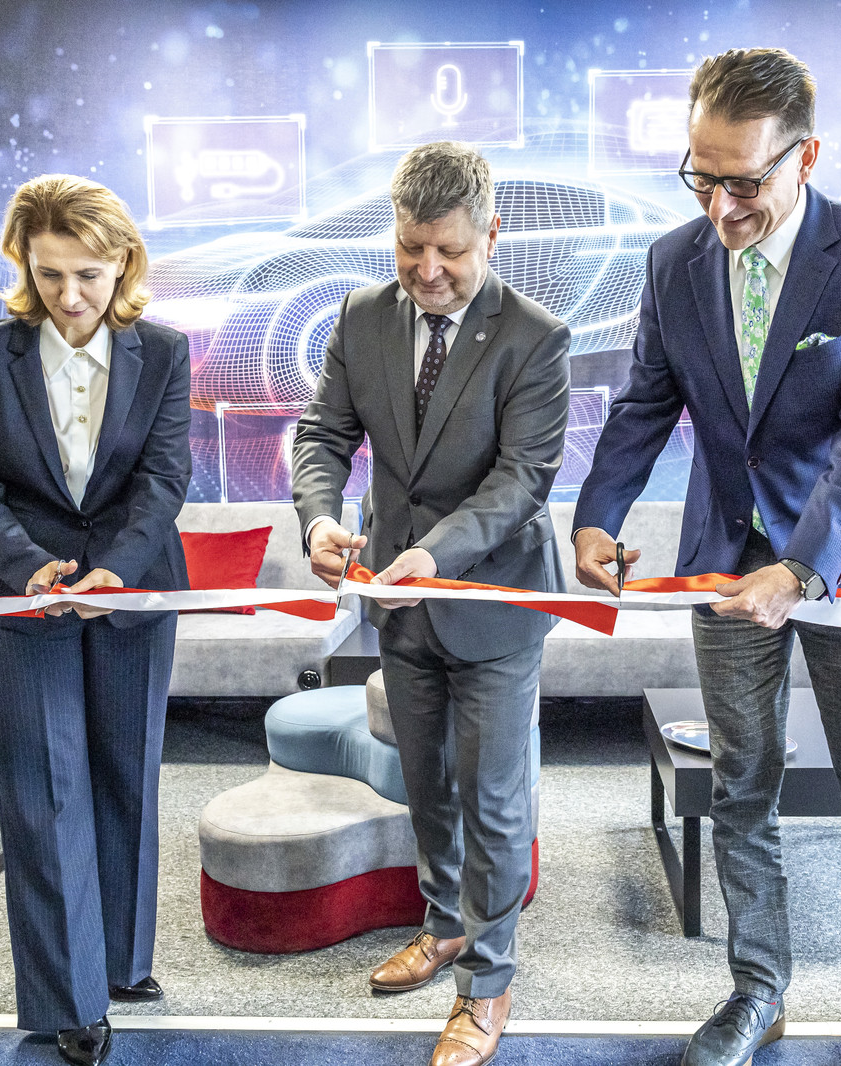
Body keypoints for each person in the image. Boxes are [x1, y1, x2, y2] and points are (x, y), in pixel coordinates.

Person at [572, 48, 841, 1066]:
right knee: (740, 789)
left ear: (804, 157)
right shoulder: (673, 262)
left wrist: (803, 567)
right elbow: (645, 404)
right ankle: (757, 991)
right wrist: (596, 516)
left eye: (742, 181)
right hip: (721, 563)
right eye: (700, 177)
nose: (720, 205)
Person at [291, 141, 569, 1066]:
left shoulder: (535, 337)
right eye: (411, 247)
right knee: (428, 784)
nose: (427, 269)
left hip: (492, 603)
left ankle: (487, 985)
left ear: (491, 233)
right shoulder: (362, 315)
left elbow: (520, 481)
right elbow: (323, 434)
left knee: (493, 799)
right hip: (397, 605)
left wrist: (433, 553)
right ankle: (445, 923)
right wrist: (320, 518)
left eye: (449, 250)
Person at [0, 174, 191, 1066]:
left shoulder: (164, 352)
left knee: (127, 777)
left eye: (87, 274)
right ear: (25, 266)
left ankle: (121, 961)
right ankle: (71, 999)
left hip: (135, 593)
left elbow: (163, 479)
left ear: (123, 263)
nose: (69, 295)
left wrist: (118, 567)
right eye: (49, 274)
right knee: (45, 795)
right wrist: (29, 565)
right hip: (22, 599)